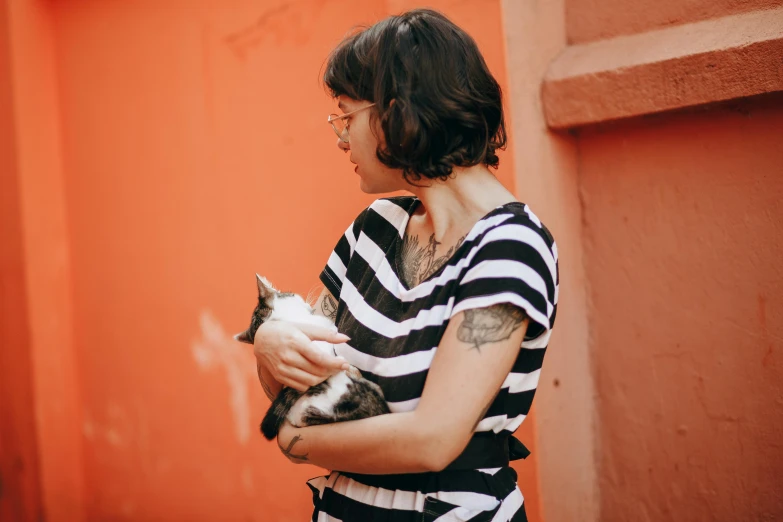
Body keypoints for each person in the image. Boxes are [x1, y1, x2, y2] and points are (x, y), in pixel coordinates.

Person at [252, 9, 558, 522]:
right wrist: (267, 346)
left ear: (398, 111)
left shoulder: (511, 248)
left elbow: (433, 440)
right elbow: (300, 382)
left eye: (347, 116)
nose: (340, 139)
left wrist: (294, 439)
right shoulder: (376, 226)